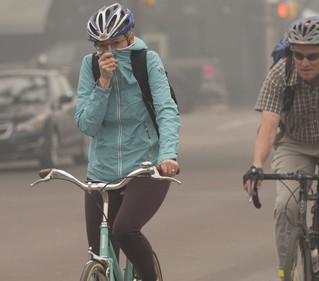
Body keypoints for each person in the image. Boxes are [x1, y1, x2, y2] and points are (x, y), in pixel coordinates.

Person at [243, 18, 319, 281]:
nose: (304, 62)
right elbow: (268, 127)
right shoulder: (279, 73)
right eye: (298, 55)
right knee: (285, 204)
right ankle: (285, 272)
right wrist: (256, 166)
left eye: (311, 55)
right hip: (295, 144)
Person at [75, 3, 180, 281]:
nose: (108, 52)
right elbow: (86, 124)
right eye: (101, 46)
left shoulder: (147, 61)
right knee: (99, 252)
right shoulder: (90, 67)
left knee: (124, 230)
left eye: (116, 43)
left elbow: (167, 110)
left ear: (130, 37)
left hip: (145, 167)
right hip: (101, 171)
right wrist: (104, 84)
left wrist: (168, 157)